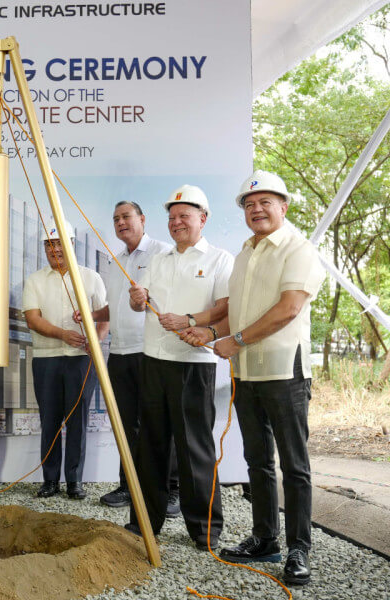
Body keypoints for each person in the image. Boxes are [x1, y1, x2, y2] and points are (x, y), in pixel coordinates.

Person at [181, 171, 325, 585]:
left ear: (284, 205)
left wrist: (236, 340)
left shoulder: (299, 249)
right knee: (257, 461)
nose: (256, 209)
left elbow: (289, 309)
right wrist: (212, 333)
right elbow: (237, 312)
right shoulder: (244, 253)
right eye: (249, 204)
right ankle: (266, 538)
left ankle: (299, 549)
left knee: (294, 466)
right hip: (246, 373)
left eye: (265, 202)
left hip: (284, 372)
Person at [126, 185, 232, 550]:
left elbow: (224, 307)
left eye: (184, 216)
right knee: (151, 445)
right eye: (172, 217)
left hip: (193, 365)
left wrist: (188, 320)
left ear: (203, 218)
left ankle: (204, 530)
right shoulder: (159, 259)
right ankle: (145, 521)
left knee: (194, 447)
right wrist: (136, 298)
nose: (176, 223)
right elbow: (140, 303)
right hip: (154, 361)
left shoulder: (220, 259)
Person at [79, 201, 179, 514]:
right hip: (120, 353)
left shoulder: (163, 253)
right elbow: (115, 307)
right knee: (125, 425)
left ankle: (172, 490)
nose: (121, 222)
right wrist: (90, 314)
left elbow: (169, 298)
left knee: (159, 423)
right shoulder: (114, 261)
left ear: (142, 219)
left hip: (150, 351)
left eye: (126, 216)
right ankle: (129, 485)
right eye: (116, 218)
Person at [23, 219, 107, 500]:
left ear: (71, 244)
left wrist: (95, 342)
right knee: (50, 421)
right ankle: (50, 481)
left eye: (59, 242)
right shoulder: (35, 280)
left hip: (80, 359)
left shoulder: (91, 277)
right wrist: (63, 334)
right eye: (48, 244)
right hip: (46, 358)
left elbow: (104, 316)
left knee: (78, 421)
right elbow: (32, 319)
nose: (54, 249)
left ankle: (74, 482)